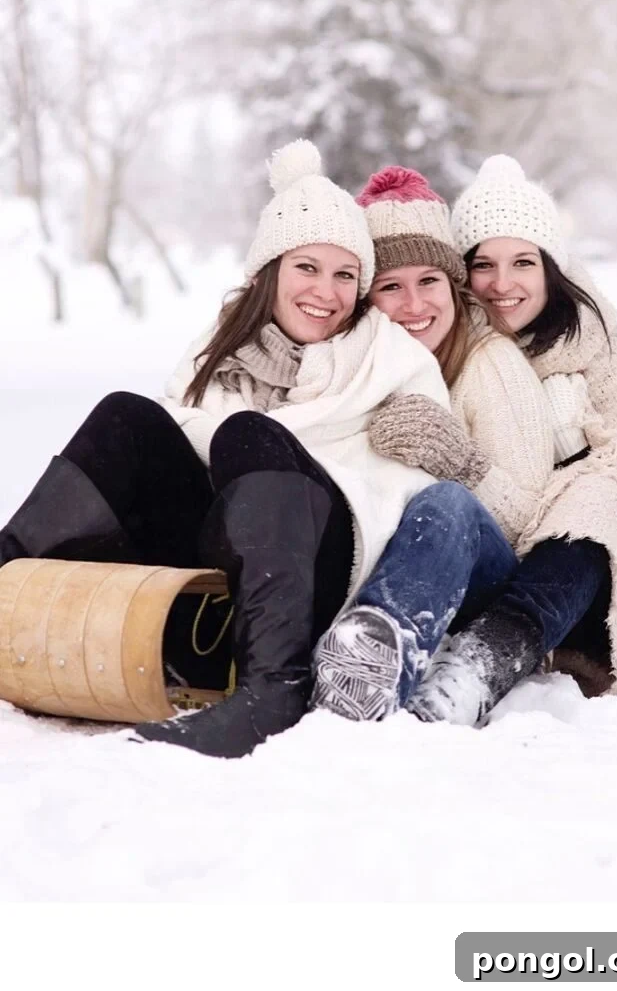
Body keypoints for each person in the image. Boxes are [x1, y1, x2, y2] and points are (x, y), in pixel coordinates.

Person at [0, 139, 489, 759]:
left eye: (346, 275)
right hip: (222, 558)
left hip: (329, 564)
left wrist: (261, 450)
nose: (328, 292)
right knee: (126, 414)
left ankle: (273, 689)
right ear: (270, 271)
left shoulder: (391, 358)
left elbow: (402, 497)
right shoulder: (223, 351)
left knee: (247, 434)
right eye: (307, 268)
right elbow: (172, 448)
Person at [405, 154, 617, 724]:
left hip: (592, 571)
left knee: (601, 495)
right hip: (491, 550)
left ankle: (479, 667)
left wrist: (580, 447)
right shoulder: (453, 344)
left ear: (550, 269)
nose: (502, 284)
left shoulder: (602, 347)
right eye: (483, 264)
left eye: (522, 263)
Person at [311, 165, 556, 720]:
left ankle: (375, 658)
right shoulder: (360, 364)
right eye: (391, 287)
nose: (414, 304)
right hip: (378, 558)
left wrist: (461, 463)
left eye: (429, 282)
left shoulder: (489, 365)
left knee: (445, 504)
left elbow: (531, 523)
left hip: (483, 580)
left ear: (453, 286)